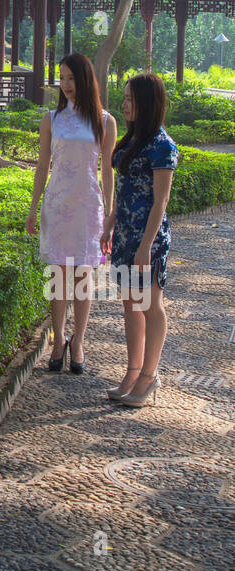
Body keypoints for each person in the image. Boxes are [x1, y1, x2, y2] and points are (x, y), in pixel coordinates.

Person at [26, 52, 116, 374]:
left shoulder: (105, 121)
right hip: (57, 204)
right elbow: (42, 166)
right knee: (58, 277)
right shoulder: (51, 119)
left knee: (82, 277)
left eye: (70, 78)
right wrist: (33, 209)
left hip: (88, 207)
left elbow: (107, 171)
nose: (65, 85)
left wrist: (110, 213)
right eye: (61, 78)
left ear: (84, 79)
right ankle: (58, 337)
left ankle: (78, 340)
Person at [100, 73, 178, 407]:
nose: (125, 103)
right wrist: (110, 222)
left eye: (131, 98)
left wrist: (146, 246)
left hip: (149, 238)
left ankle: (149, 376)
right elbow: (126, 189)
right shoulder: (132, 142)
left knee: (149, 304)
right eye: (125, 97)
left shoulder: (163, 147)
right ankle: (132, 371)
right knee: (130, 304)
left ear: (147, 103)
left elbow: (160, 202)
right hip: (125, 235)